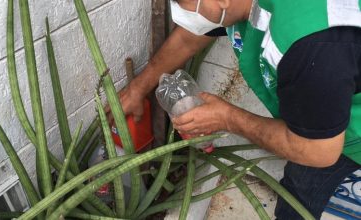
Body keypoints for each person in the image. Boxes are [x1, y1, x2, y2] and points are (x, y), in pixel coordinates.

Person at [108, 0, 361, 219]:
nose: (181, 13)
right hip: (329, 107)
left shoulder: (313, 44)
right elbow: (190, 36)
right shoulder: (238, 6)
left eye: (184, 4)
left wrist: (226, 117)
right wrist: (138, 88)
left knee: (304, 182)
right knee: (299, 186)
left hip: (349, 131)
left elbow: (319, 150)